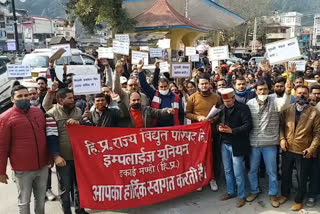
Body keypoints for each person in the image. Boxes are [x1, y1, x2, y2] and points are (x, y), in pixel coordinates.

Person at [0, 85, 50, 214]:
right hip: (23, 170)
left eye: (26, 95)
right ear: (12, 99)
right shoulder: (5, 118)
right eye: (20, 96)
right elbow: (2, 146)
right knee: (24, 202)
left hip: (42, 166)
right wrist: (1, 171)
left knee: (40, 201)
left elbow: (45, 135)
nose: (24, 98)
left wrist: (50, 157)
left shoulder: (38, 112)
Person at [246, 80, 292, 208]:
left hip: (270, 143)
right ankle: (254, 191)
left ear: (269, 90)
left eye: (265, 89)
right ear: (256, 91)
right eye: (260, 89)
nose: (262, 92)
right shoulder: (250, 104)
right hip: (254, 143)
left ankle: (273, 194)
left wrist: (288, 92)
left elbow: (284, 104)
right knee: (252, 170)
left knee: (272, 171)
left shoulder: (275, 101)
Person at [46, 88, 88, 214]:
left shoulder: (78, 111)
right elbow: (51, 137)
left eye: (72, 97)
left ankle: (80, 210)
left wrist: (79, 122)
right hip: (63, 158)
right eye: (69, 98)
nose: (72, 100)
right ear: (60, 99)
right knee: (65, 188)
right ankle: (66, 211)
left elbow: (85, 130)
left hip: (79, 156)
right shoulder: (51, 113)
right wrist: (56, 156)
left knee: (79, 186)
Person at [279, 85, 320, 211]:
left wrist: (311, 148)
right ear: (294, 94)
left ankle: (298, 199)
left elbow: (318, 133)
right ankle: (285, 194)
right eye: (299, 93)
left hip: (303, 150)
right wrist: (282, 139)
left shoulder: (314, 112)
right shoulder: (288, 109)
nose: (301, 95)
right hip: (287, 148)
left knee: (302, 177)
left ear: (308, 95)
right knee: (285, 173)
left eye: (304, 93)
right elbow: (281, 126)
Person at [217, 88, 252, 208]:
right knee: (227, 170)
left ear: (233, 98)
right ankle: (231, 191)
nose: (227, 103)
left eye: (229, 101)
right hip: (224, 143)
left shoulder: (243, 108)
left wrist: (233, 131)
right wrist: (219, 127)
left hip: (237, 143)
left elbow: (248, 125)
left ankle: (241, 195)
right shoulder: (221, 108)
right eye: (224, 101)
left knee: (238, 171)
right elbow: (217, 122)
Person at [186, 74, 221, 191]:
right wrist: (198, 117)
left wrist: (214, 119)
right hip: (198, 133)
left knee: (212, 156)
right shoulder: (192, 98)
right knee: (199, 156)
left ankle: (212, 178)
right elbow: (187, 113)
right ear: (198, 85)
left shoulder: (216, 97)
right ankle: (199, 179)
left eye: (206, 83)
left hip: (212, 131)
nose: (204, 86)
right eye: (202, 84)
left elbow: (220, 113)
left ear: (209, 84)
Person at [28, 87, 56, 201]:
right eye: (30, 94)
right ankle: (38, 193)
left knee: (46, 167)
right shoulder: (25, 109)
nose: (32, 96)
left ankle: (47, 189)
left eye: (34, 93)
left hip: (44, 142)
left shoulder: (44, 108)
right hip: (30, 145)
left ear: (38, 94)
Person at [138, 61, 184, 127]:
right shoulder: (154, 94)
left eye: (165, 86)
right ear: (158, 87)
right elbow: (144, 85)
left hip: (173, 128)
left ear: (168, 86)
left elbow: (181, 114)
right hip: (157, 128)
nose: (163, 88)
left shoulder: (176, 97)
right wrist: (140, 70)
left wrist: (181, 127)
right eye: (161, 87)